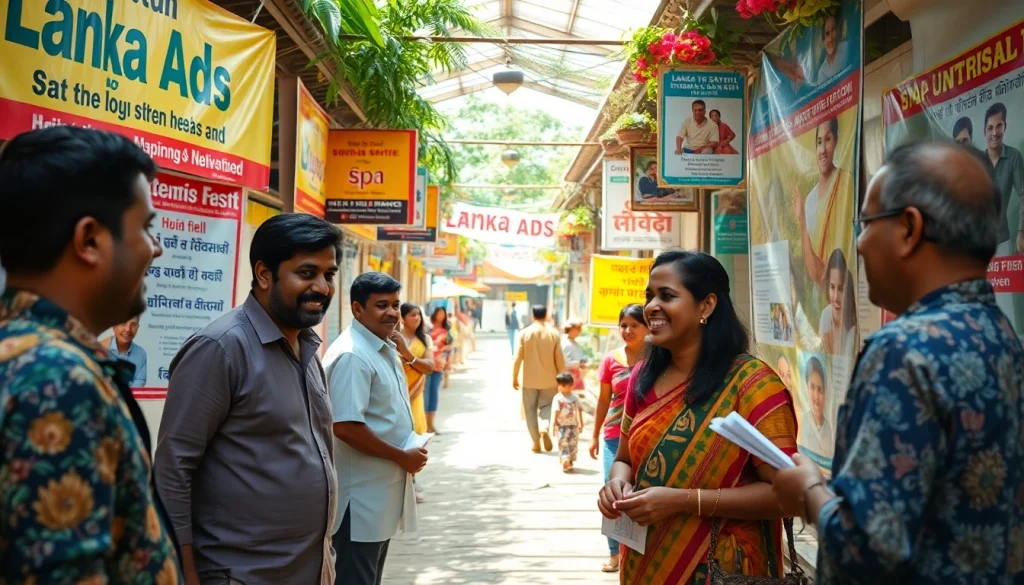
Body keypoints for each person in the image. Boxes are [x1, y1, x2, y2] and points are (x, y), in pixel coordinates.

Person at [771, 141, 1024, 584]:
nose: (860, 244)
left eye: (865, 224)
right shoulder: (1002, 336)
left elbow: (869, 548)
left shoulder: (902, 352)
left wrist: (808, 491)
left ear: (909, 229)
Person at [0, 126, 182, 583]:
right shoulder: (58, 380)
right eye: (146, 228)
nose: (156, 249)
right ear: (89, 240)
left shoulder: (26, 352)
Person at [156, 213, 341, 585]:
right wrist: (183, 572)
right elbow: (173, 468)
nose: (322, 287)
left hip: (312, 569)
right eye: (307, 273)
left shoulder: (308, 348)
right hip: (242, 574)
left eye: (329, 274)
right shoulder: (220, 348)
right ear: (264, 274)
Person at [598, 251, 798, 584]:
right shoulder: (643, 377)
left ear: (706, 306)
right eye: (649, 296)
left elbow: (786, 495)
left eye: (667, 296)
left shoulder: (752, 385)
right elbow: (624, 460)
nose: (652, 307)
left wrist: (684, 501)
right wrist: (616, 484)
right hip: (644, 566)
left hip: (722, 570)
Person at [325, 272, 427, 585]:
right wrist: (401, 456)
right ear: (357, 309)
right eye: (381, 305)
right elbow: (345, 427)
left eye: (395, 305)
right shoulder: (353, 355)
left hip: (378, 497)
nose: (392, 313)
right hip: (359, 503)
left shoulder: (383, 346)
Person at [590, 303, 649, 573]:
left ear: (646, 328)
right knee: (612, 491)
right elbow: (604, 401)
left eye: (634, 325)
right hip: (614, 437)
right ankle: (615, 553)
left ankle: (638, 553)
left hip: (645, 438)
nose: (627, 330)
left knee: (640, 492)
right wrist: (594, 435)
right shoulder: (610, 360)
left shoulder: (658, 361)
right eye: (623, 325)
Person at [793, 116, 856, 287]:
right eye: (819, 142)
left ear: (836, 141)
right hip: (820, 293)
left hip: (842, 289)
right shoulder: (810, 200)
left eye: (827, 140)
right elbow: (814, 271)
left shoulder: (846, 185)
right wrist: (802, 219)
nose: (822, 150)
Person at [512, 305, 566, 453]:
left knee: (530, 410)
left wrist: (514, 377)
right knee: (548, 406)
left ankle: (535, 441)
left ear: (532, 316)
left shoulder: (525, 333)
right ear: (546, 315)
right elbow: (559, 359)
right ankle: (544, 427)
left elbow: (517, 358)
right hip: (550, 380)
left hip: (529, 380)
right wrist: (563, 379)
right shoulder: (553, 334)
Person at [982, 103, 1024, 255]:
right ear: (984, 132)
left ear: (1004, 126)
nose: (994, 133)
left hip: (1002, 241)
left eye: (999, 126)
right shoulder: (976, 160)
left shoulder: (1014, 157)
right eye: (990, 128)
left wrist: (1021, 232)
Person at [400, 303, 435, 437]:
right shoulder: (395, 338)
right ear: (402, 318)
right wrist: (418, 362)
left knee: (416, 428)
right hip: (398, 391)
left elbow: (430, 367)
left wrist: (408, 355)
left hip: (416, 390)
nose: (417, 318)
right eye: (412, 315)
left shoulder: (425, 339)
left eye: (419, 314)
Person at [819, 249, 857, 355]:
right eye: (832, 287)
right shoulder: (825, 316)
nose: (835, 297)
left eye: (841, 289)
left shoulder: (853, 325)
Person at [798, 356, 833, 460]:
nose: (816, 397)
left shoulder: (828, 427)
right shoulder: (804, 421)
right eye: (812, 387)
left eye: (820, 390)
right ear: (807, 388)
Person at [551, 372, 583, 473]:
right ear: (559, 385)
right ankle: (565, 461)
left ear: (571, 385)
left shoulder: (575, 398)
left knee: (572, 443)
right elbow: (556, 411)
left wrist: (580, 423)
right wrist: (553, 425)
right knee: (563, 443)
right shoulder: (558, 398)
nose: (565, 387)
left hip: (573, 425)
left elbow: (578, 410)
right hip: (561, 426)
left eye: (568, 385)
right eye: (563, 385)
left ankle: (570, 461)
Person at [427, 306, 451, 433]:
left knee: (433, 394)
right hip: (425, 363)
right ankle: (424, 424)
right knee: (424, 394)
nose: (441, 315)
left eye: (443, 313)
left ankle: (431, 424)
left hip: (439, 364)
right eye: (439, 313)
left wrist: (447, 361)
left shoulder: (447, 329)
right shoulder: (428, 328)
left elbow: (450, 346)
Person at [109, 315, 148, 386]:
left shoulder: (141, 353)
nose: (128, 329)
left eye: (133, 324)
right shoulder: (101, 349)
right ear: (114, 326)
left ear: (137, 328)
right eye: (123, 323)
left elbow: (140, 380)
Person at [815, 12, 848, 84]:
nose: (830, 38)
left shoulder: (847, 48)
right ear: (823, 41)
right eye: (827, 34)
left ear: (839, 31)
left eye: (833, 30)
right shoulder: (822, 72)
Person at [560, 319, 588, 391]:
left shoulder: (574, 343)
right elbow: (565, 363)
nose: (580, 331)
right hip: (569, 377)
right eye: (578, 328)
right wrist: (580, 363)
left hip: (577, 376)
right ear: (571, 329)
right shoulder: (565, 343)